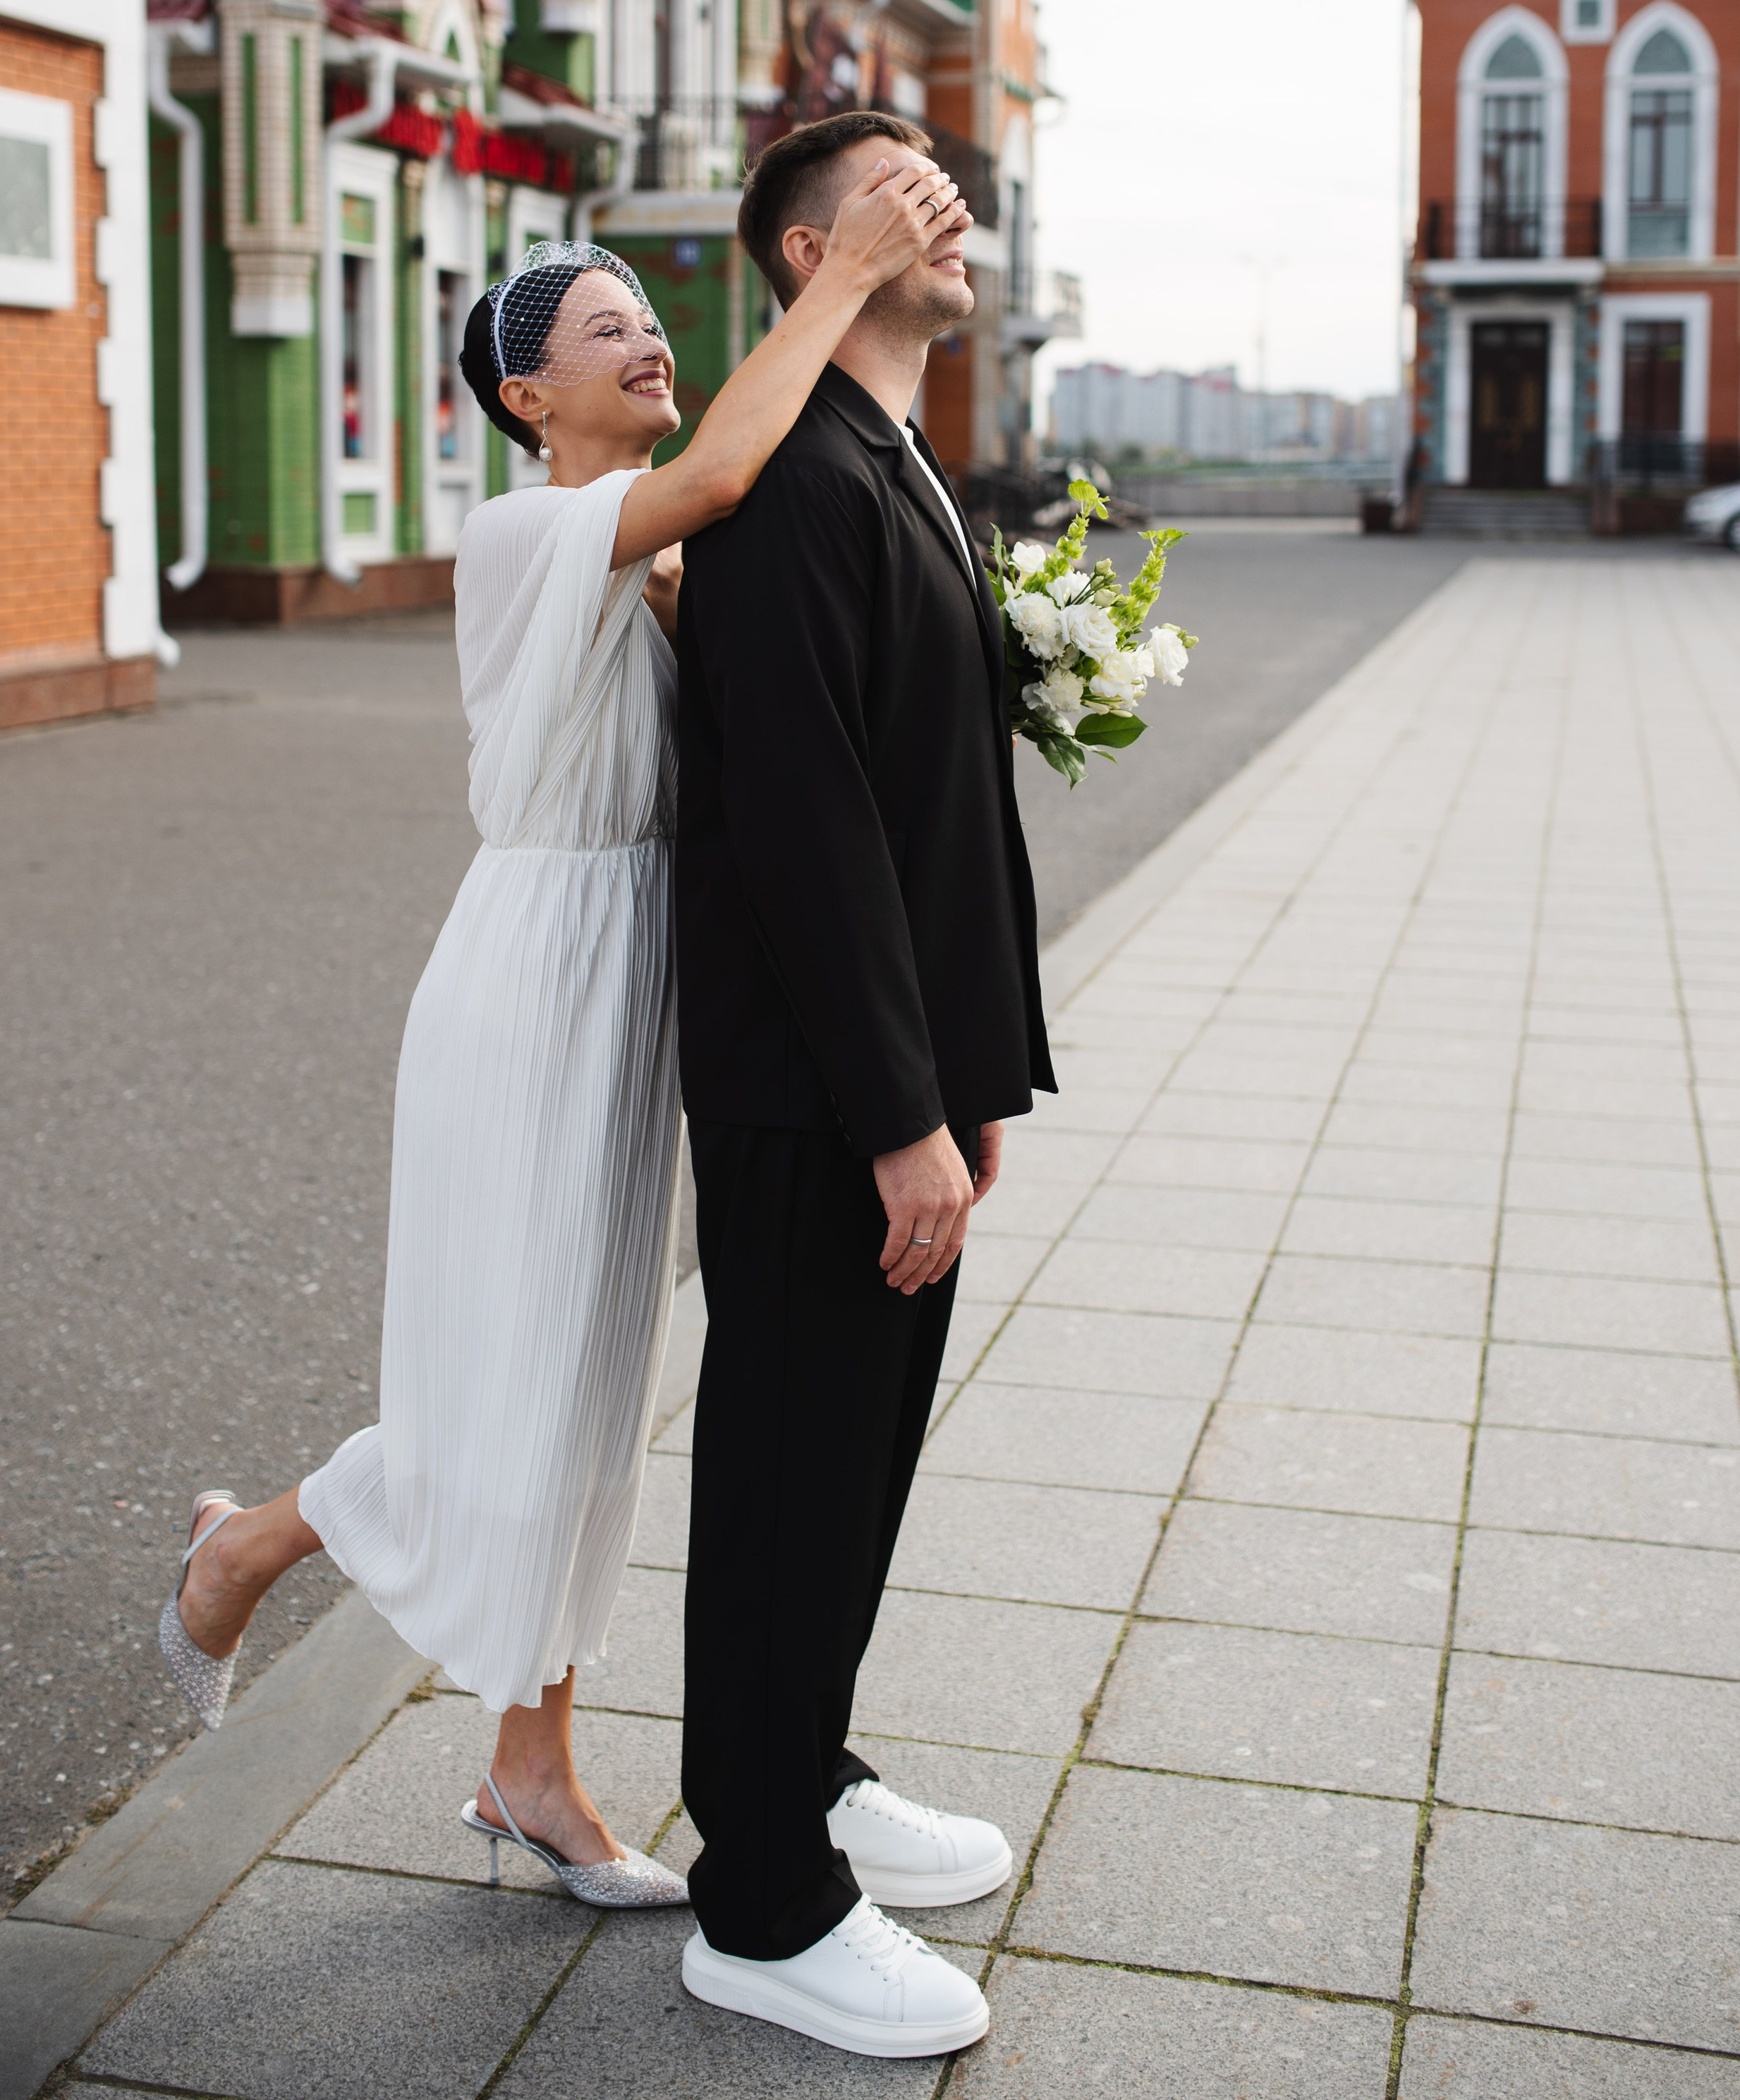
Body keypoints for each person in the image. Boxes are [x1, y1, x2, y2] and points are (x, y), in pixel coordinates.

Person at [156, 155, 964, 1910]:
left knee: (585, 1401)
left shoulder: (656, 574)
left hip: (632, 988)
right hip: (529, 982)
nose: (650, 343)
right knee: (498, 1392)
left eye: (657, 320)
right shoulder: (533, 530)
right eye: (610, 328)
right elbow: (733, 464)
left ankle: (531, 1774)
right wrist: (841, 281)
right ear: (527, 394)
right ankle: (246, 1547)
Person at [675, 110, 1057, 2056]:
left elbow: (928, 799)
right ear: (816, 243)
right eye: (910, 187)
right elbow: (808, 829)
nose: (956, 209)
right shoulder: (784, 481)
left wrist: (964, 1076)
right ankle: (758, 1897)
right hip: (814, 1086)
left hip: (893, 1074)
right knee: (787, 1463)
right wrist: (895, 1111)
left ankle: (802, 1771)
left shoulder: (891, 457)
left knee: (856, 1463)